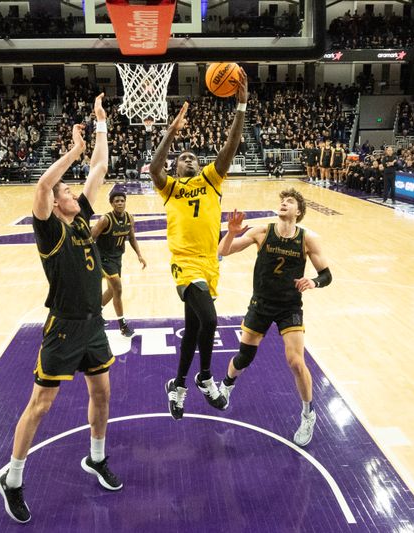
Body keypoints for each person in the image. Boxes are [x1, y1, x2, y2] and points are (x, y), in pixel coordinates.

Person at [0, 95, 122, 525]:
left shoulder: (84, 219)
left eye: (71, 192)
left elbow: (100, 170)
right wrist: (72, 152)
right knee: (41, 405)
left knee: (102, 392)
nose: (71, 194)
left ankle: (97, 458)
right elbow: (43, 187)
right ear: (57, 204)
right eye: (68, 192)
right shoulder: (50, 231)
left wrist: (100, 126)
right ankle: (12, 481)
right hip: (63, 328)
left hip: (93, 325)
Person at [149, 68, 248, 420]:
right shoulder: (170, 187)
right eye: (182, 158)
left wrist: (241, 108)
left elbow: (230, 146)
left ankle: (177, 385)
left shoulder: (210, 178)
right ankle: (205, 378)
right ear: (176, 167)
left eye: (193, 156)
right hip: (185, 263)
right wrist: (170, 134)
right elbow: (153, 168)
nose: (189, 159)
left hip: (209, 263)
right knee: (209, 320)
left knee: (193, 328)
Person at [217, 189, 332, 446]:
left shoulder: (307, 239)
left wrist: (313, 281)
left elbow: (326, 275)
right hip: (261, 303)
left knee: (295, 362)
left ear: (298, 211)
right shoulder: (262, 232)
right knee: (244, 357)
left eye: (290, 201)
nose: (284, 203)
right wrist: (232, 233)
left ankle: (308, 413)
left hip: (289, 306)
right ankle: (226, 385)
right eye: (282, 200)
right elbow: (223, 251)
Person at [91, 190, 147, 337]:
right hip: (103, 258)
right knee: (118, 288)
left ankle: (94, 315)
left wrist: (139, 255)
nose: (120, 203)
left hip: (117, 258)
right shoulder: (105, 220)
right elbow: (91, 237)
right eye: (116, 201)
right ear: (112, 204)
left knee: (111, 290)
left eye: (122, 200)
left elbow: (132, 238)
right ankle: (122, 326)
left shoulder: (129, 218)